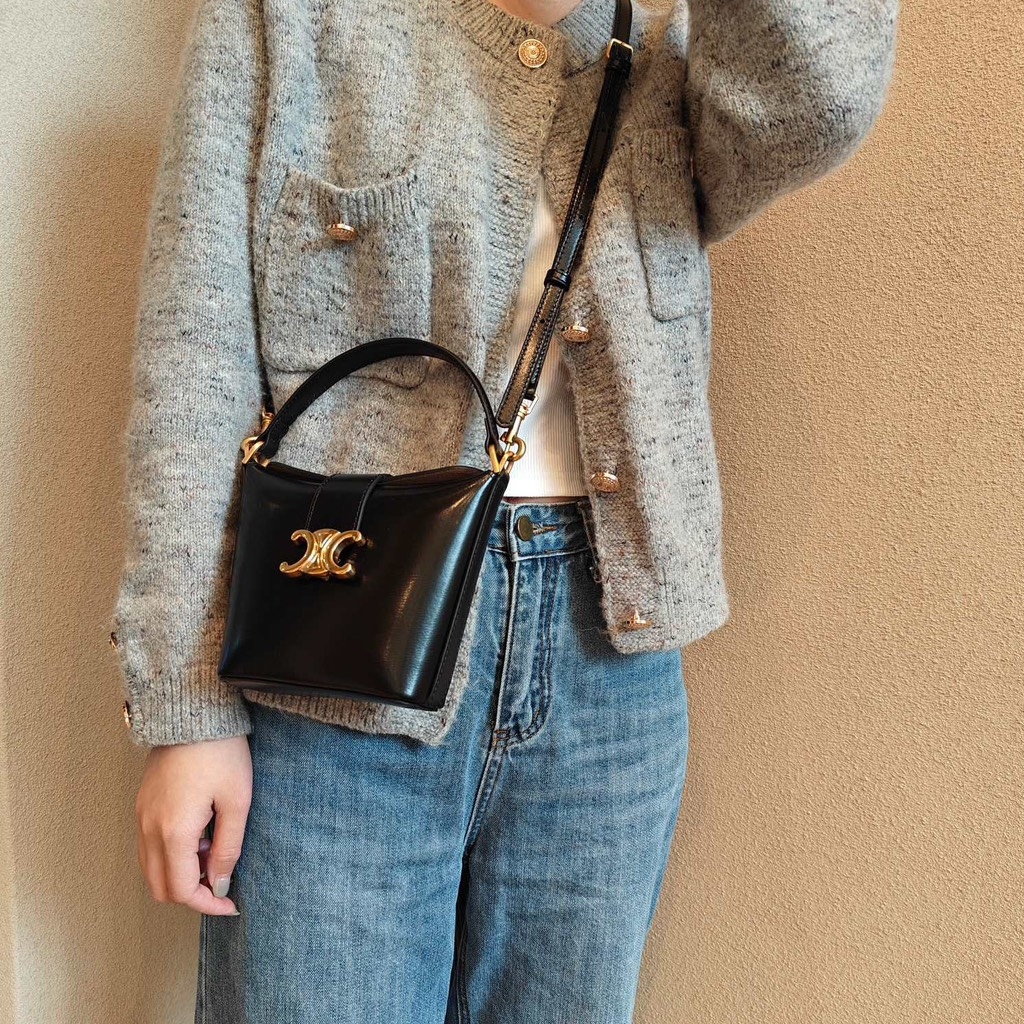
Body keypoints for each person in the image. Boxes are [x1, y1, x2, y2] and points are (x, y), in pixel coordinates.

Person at [111, 0, 899, 1019]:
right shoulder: (288, 22)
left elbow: (820, 97)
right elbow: (193, 364)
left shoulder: (678, 52)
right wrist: (186, 711)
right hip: (336, 663)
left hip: (607, 673)